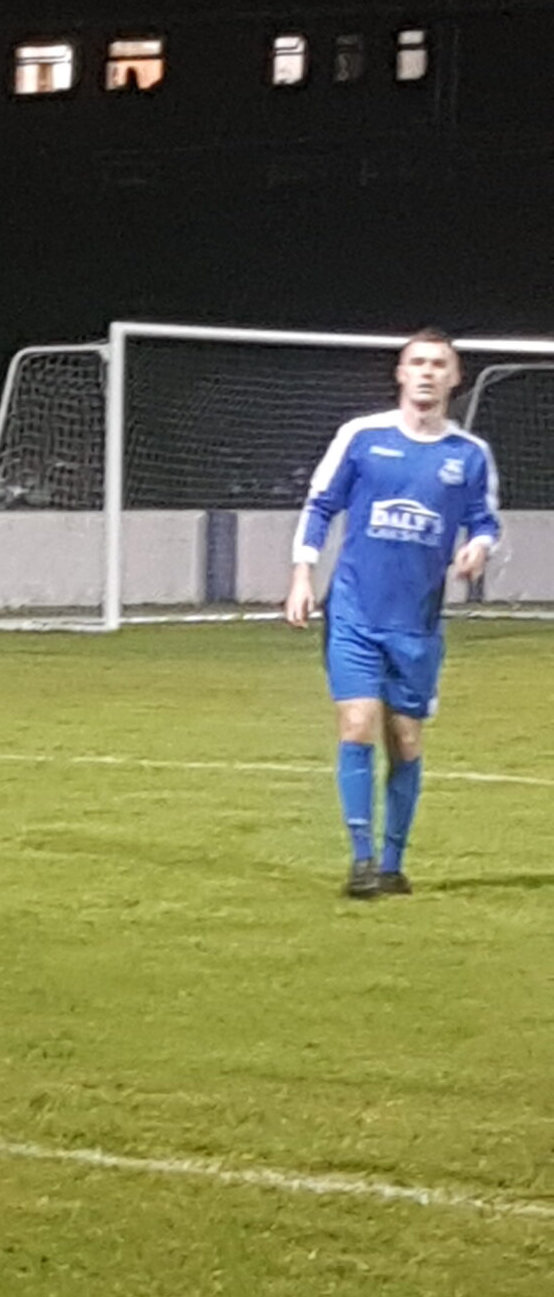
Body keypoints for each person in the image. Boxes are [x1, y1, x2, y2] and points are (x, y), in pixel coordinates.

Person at [285, 330, 499, 898]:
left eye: (439, 364)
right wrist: (303, 575)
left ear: (455, 378)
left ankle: (392, 864)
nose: (427, 372)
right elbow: (320, 505)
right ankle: (361, 861)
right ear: (400, 374)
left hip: (417, 624)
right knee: (356, 724)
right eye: (417, 362)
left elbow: (484, 520)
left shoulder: (469, 455)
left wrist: (479, 547)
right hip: (354, 611)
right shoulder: (362, 436)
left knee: (405, 740)